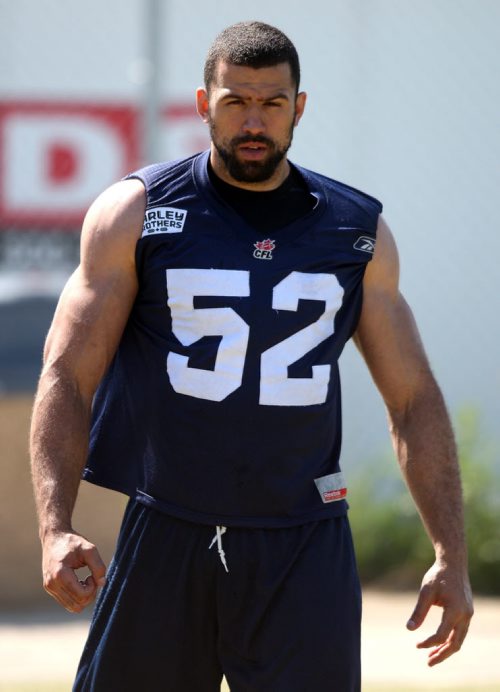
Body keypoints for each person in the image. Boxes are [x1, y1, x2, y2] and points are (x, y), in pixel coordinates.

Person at [30, 20, 473, 692]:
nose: (254, 121)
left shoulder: (356, 231)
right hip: (169, 529)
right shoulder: (137, 213)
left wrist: (451, 553)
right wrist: (55, 527)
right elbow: (67, 374)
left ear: (299, 107)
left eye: (272, 102)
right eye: (236, 101)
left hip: (302, 540)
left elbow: (412, 401)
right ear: (205, 105)